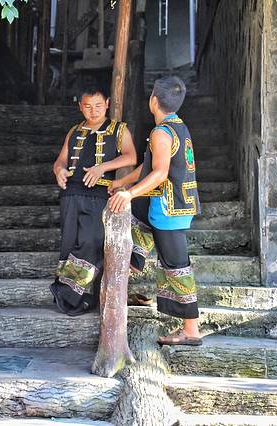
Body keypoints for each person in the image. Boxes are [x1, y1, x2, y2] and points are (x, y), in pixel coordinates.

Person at [108, 76, 202, 346]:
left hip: (168, 208)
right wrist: (122, 182)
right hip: (174, 204)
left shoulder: (161, 133)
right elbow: (149, 167)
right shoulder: (177, 127)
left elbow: (159, 173)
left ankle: (191, 330)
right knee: (137, 224)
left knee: (177, 265)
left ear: (153, 100)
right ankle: (127, 273)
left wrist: (129, 193)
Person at [50, 86, 137, 316]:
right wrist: (59, 171)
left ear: (107, 104)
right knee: (69, 243)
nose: (93, 111)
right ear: (80, 106)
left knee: (93, 239)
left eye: (98, 105)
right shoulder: (74, 131)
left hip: (99, 194)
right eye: (88, 106)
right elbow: (60, 161)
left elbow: (131, 156)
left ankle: (66, 291)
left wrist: (102, 168)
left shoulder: (119, 129)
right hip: (71, 193)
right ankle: (71, 298)